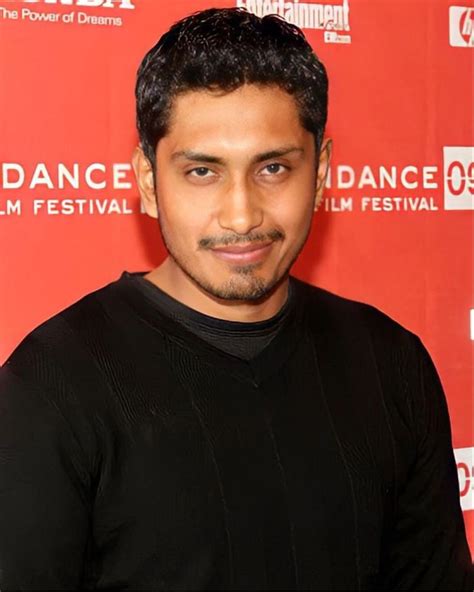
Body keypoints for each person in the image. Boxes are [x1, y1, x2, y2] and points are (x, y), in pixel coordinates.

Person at [0, 7, 472, 590]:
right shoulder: (52, 384)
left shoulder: (391, 364)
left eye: (273, 168)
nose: (242, 215)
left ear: (320, 174)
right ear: (149, 183)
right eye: (203, 172)